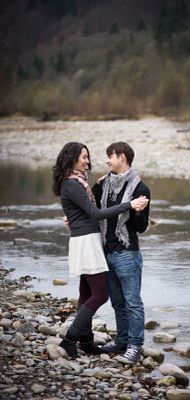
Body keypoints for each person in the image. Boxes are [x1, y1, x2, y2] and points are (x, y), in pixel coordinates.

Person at [52, 142, 148, 358]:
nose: (89, 161)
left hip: (95, 242)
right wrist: (129, 205)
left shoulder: (82, 183)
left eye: (88, 157)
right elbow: (94, 212)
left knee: (87, 293)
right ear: (72, 158)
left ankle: (86, 341)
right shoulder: (75, 183)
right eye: (84, 157)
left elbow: (84, 207)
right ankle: (69, 340)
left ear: (121, 157)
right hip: (88, 242)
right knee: (102, 295)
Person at [92, 142, 150, 363]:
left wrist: (137, 212)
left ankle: (135, 346)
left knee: (133, 302)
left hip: (127, 253)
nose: (107, 160)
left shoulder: (140, 188)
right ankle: (121, 341)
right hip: (106, 251)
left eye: (110, 156)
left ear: (122, 157)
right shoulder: (103, 183)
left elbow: (142, 227)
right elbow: (94, 211)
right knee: (117, 302)